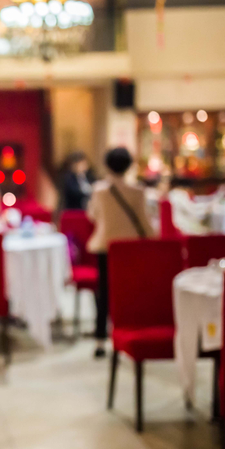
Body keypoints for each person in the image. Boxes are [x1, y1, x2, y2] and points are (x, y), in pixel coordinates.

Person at [87, 147, 154, 358]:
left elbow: (92, 215)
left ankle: (100, 340)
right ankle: (132, 333)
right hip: (130, 248)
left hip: (106, 246)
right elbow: (144, 222)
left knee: (104, 294)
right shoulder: (138, 191)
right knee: (131, 292)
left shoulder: (99, 191)